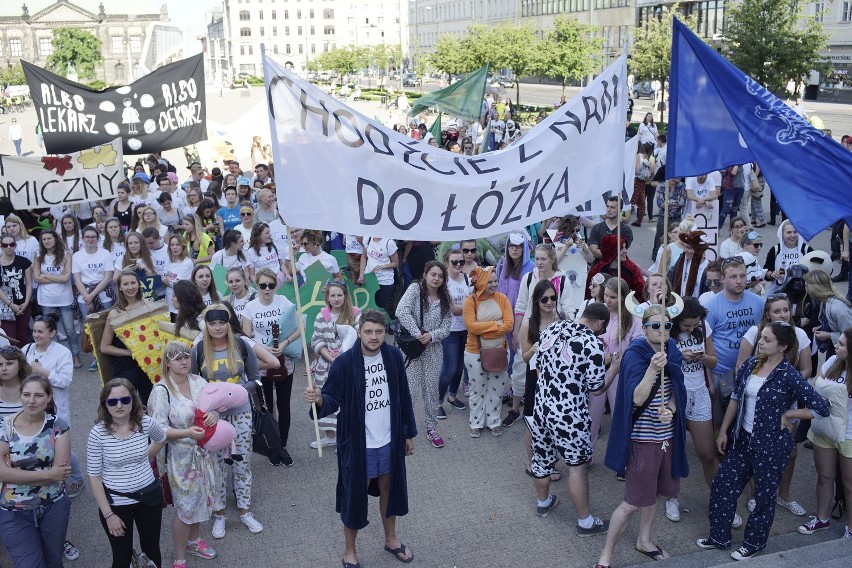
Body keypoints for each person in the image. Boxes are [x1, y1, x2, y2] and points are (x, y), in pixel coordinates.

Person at [696, 322, 829, 560]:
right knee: (723, 486)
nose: (760, 342)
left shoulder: (789, 375)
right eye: (761, 338)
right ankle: (719, 536)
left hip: (772, 446)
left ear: (783, 346)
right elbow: (736, 398)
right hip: (743, 440)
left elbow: (821, 408)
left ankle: (754, 543)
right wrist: (725, 430)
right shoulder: (750, 365)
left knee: (764, 498)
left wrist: (790, 414)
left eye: (767, 340)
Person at [304, 309, 417, 567]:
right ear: (359, 332)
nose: (374, 337)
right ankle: (350, 552)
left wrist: (408, 432)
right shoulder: (344, 363)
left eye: (378, 332)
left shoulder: (393, 356)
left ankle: (391, 540)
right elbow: (331, 399)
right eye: (368, 331)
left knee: (390, 488)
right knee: (355, 495)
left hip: (389, 438)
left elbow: (404, 396)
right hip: (358, 443)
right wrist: (319, 398)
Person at [596, 303, 688, 567]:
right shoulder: (636, 352)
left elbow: (677, 390)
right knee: (632, 502)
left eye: (667, 325)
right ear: (645, 327)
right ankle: (606, 556)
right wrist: (651, 369)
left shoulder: (672, 350)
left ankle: (644, 540)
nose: (661, 330)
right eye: (656, 326)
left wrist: (670, 410)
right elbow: (635, 398)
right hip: (642, 439)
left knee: (655, 493)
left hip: (665, 437)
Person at [529, 301, 611, 535]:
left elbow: (538, 366)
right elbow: (596, 388)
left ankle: (543, 502)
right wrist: (614, 366)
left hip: (542, 407)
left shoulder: (554, 328)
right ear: (600, 323)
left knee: (542, 457)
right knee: (577, 467)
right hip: (569, 415)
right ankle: (585, 521)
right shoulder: (592, 343)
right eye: (602, 330)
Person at [192, 304, 266, 539]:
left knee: (242, 462)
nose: (217, 328)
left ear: (228, 323)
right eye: (212, 323)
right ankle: (220, 513)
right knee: (217, 466)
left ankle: (245, 511)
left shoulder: (242, 344)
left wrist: (237, 392)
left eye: (221, 323)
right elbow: (195, 383)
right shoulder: (200, 347)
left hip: (242, 412)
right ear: (206, 325)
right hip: (213, 418)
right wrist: (210, 408)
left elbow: (256, 378)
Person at [148, 343, 223, 566]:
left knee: (201, 499)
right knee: (185, 507)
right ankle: (179, 557)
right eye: (177, 358)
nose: (183, 362)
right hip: (181, 458)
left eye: (186, 357)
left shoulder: (199, 382)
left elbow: (217, 405)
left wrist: (214, 414)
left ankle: (195, 540)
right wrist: (186, 432)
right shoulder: (161, 391)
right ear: (167, 363)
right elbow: (157, 430)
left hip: (205, 452)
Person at [87, 378, 168, 568]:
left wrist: (143, 459)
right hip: (117, 504)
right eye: (112, 401)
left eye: (125, 399)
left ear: (134, 400)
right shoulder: (98, 433)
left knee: (152, 551)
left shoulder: (146, 423)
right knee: (122, 557)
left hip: (149, 497)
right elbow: (94, 477)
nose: (119, 405)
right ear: (105, 405)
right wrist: (108, 515)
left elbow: (161, 438)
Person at [665, 298, 732, 525]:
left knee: (706, 453)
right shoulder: (666, 329)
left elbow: (714, 361)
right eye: (687, 326)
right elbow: (658, 362)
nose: (692, 329)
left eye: (695, 325)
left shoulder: (703, 327)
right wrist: (678, 356)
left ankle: (722, 500)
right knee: (674, 451)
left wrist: (704, 357)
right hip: (673, 394)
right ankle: (671, 497)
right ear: (676, 321)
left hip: (699, 392)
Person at [0, 374, 72, 568]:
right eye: (26, 394)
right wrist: (48, 474)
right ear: (20, 396)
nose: (31, 401)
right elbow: (2, 474)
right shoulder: (4, 426)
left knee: (53, 561)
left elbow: (62, 472)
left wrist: (17, 473)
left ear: (49, 397)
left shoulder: (58, 425)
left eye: (38, 395)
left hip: (53, 506)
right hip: (14, 510)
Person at [242, 268, 300, 466]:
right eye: (263, 285)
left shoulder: (284, 301)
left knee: (284, 405)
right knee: (267, 407)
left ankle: (282, 446)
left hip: (284, 359)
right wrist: (263, 348)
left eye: (271, 285)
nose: (267, 289)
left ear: (276, 286)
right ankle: (273, 446)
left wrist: (284, 343)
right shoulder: (250, 307)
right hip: (262, 363)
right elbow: (245, 335)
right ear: (256, 285)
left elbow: (300, 326)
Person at [798, 328, 852, 538]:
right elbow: (814, 389)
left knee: (849, 485)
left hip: (849, 434)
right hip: (826, 429)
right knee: (824, 476)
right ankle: (821, 518)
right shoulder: (831, 363)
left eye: (841, 344)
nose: (835, 347)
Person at [395, 261, 452, 448]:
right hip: (412, 348)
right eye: (433, 274)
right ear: (426, 274)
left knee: (431, 390)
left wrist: (431, 336)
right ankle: (404, 429)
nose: (436, 279)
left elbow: (446, 327)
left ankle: (431, 427)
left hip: (433, 351)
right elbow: (401, 311)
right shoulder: (414, 289)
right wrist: (418, 334)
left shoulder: (445, 298)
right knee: (409, 390)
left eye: (440, 276)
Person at [705, 256, 766, 426]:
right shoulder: (711, 307)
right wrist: (709, 381)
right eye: (733, 277)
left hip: (752, 371)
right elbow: (704, 344)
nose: (739, 281)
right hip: (721, 372)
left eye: (742, 276)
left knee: (748, 419)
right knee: (718, 422)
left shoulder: (759, 303)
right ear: (723, 279)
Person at [589, 278, 644, 452]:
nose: (607, 300)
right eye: (605, 295)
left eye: (613, 297)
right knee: (591, 416)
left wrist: (614, 356)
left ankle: (623, 458)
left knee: (621, 417)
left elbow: (638, 349)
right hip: (598, 371)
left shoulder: (634, 319)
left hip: (622, 374)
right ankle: (586, 454)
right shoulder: (600, 313)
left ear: (623, 297)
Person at [463, 266, 513, 437]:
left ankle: (494, 421)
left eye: (495, 281)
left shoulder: (503, 299)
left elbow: (509, 325)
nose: (494, 284)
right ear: (481, 283)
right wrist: (495, 324)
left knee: (497, 389)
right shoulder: (470, 301)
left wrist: (482, 327)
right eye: (489, 281)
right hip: (475, 352)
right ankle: (476, 422)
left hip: (500, 350)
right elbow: (471, 327)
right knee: (477, 389)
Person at [310, 279, 361, 449]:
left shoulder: (354, 314)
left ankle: (346, 437)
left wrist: (343, 358)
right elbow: (316, 340)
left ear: (345, 296)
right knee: (324, 398)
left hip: (349, 365)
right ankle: (330, 436)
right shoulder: (321, 315)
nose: (336, 298)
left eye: (340, 295)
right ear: (328, 297)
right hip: (326, 365)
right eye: (333, 295)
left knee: (347, 400)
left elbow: (359, 337)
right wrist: (331, 358)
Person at [99, 269, 154, 403]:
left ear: (139, 284)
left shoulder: (149, 305)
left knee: (151, 403)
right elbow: (104, 347)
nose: (130, 287)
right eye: (125, 284)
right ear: (120, 288)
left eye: (133, 283)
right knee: (125, 404)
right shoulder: (115, 313)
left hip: (149, 365)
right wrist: (129, 352)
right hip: (125, 366)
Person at [33, 230, 81, 367]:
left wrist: (46, 276)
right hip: (46, 299)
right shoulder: (38, 255)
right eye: (44, 239)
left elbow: (66, 278)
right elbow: (36, 278)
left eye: (49, 238)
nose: (46, 241)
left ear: (55, 239)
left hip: (64, 298)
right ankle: (53, 358)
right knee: (49, 331)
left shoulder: (66, 255)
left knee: (70, 329)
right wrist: (57, 278)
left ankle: (75, 355)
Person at [437, 249, 471, 418]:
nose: (458, 265)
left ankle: (452, 396)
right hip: (449, 330)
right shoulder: (444, 282)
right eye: (454, 262)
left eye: (461, 262)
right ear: (446, 263)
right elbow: (454, 310)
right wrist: (471, 307)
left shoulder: (466, 278)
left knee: (459, 368)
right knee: (449, 369)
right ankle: (437, 402)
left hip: (466, 329)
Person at [73, 226, 115, 322]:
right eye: (87, 237)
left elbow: (108, 277)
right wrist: (87, 298)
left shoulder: (105, 253)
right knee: (88, 325)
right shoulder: (76, 256)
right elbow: (77, 280)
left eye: (93, 237)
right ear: (83, 238)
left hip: (104, 294)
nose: (90, 239)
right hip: (84, 294)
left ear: (98, 238)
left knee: (107, 323)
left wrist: (91, 295)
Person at [764, 220, 814, 295]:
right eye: (789, 232)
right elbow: (766, 272)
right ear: (782, 234)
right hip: (779, 293)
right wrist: (772, 274)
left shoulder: (806, 250)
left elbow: (815, 272)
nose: (793, 235)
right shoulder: (775, 250)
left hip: (803, 294)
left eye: (795, 232)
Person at [0, 233, 33, 344]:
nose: (9, 247)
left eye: (11, 244)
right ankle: (11, 361)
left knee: (23, 336)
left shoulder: (24, 261)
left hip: (23, 303)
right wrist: (11, 304)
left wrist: (26, 302)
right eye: (5, 245)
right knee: (9, 337)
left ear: (15, 245)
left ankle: (22, 360)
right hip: (5, 306)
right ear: (1, 246)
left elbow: (29, 283)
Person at [358, 237, 400, 315]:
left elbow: (395, 263)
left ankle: (383, 326)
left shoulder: (389, 242)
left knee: (381, 309)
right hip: (369, 278)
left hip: (384, 280)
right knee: (368, 307)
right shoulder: (368, 238)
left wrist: (383, 266)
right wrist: (361, 274)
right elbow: (363, 257)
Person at [163, 234, 195, 320]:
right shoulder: (169, 259)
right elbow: (162, 276)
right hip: (168, 302)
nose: (174, 247)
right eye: (172, 245)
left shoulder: (187, 263)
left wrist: (167, 280)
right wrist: (168, 280)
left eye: (177, 244)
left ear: (183, 246)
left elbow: (178, 285)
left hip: (181, 304)